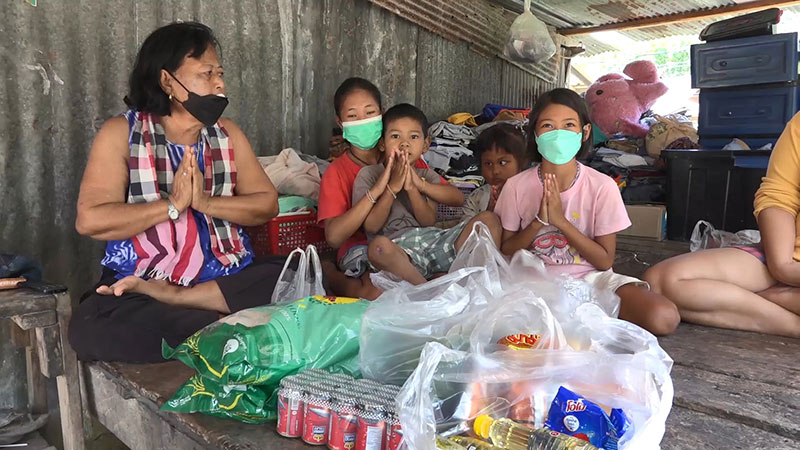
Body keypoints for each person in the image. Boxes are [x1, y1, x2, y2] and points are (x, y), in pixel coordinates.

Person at [69, 22, 286, 363]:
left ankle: (194, 311)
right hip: (140, 281)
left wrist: (205, 203)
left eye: (220, 73)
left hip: (224, 280)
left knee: (291, 273)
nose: (220, 84)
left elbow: (267, 205)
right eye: (206, 73)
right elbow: (90, 220)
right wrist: (172, 205)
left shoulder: (227, 134)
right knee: (91, 324)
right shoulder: (121, 133)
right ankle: (222, 327)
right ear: (167, 81)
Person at [495, 88, 680, 336]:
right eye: (548, 126)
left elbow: (604, 261)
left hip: (592, 281)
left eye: (569, 125)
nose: (558, 134)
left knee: (663, 317)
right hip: (534, 282)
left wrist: (560, 222)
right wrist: (538, 221)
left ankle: (583, 317)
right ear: (535, 134)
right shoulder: (516, 186)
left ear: (585, 132)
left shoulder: (602, 186)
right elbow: (507, 250)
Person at [644, 115, 800, 338]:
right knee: (662, 281)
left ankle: (759, 298)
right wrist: (782, 266)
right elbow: (780, 195)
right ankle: (790, 320)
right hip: (788, 256)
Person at [352, 103, 502, 285]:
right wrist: (392, 188)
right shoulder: (370, 174)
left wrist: (414, 187)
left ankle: (477, 287)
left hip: (433, 242)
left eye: (413, 137)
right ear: (382, 144)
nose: (404, 143)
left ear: (425, 145)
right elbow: (371, 227)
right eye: (395, 136)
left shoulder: (426, 176)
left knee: (488, 220)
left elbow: (429, 220)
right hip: (398, 253)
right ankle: (425, 288)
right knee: (377, 248)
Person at [317, 78, 438, 299]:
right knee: (377, 293)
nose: (362, 121)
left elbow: (447, 196)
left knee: (442, 276)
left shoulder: (407, 156)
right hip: (361, 248)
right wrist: (379, 190)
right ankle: (331, 275)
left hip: (408, 242)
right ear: (340, 123)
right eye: (352, 116)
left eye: (370, 112)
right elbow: (334, 238)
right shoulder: (336, 172)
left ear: (382, 113)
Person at [463, 123, 529, 218]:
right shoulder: (476, 198)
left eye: (502, 162)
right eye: (488, 164)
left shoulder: (532, 194)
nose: (495, 171)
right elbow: (467, 226)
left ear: (521, 162)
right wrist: (490, 212)